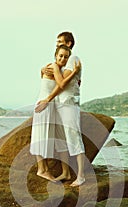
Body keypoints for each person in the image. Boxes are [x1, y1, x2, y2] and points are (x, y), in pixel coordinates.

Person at [35, 32, 85, 187]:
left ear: (69, 44)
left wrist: (75, 74)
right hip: (59, 105)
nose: (57, 44)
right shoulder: (59, 64)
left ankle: (81, 176)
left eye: (60, 42)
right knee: (62, 139)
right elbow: (52, 78)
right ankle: (65, 172)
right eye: (57, 43)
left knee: (73, 136)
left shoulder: (72, 59)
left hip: (67, 104)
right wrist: (42, 70)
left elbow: (62, 83)